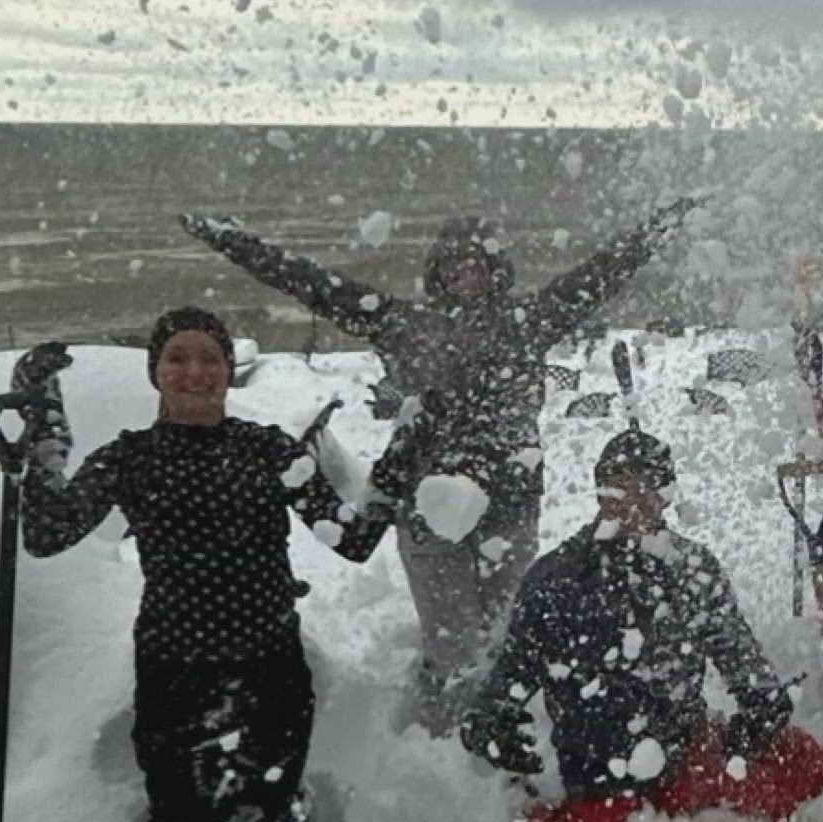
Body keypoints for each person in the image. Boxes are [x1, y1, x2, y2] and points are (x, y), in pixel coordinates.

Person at [10, 306, 438, 822]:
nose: (195, 371)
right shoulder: (131, 458)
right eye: (177, 356)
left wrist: (406, 452)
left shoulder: (268, 450)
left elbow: (348, 539)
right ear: (156, 371)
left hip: (272, 667)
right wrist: (40, 425)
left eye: (209, 357)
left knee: (277, 808)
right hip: (176, 674)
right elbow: (48, 530)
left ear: (229, 372)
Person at [181, 201, 696, 734]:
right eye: (454, 265)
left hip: (512, 515)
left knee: (501, 646)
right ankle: (441, 749)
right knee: (455, 653)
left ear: (497, 271)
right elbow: (313, 284)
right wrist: (235, 244)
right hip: (430, 523)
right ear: (438, 274)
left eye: (477, 263)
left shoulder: (529, 322)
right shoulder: (405, 325)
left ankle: (493, 745)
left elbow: (601, 273)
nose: (465, 274)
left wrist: (659, 227)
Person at [457, 428, 823, 822]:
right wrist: (490, 723)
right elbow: (507, 681)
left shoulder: (692, 569)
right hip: (603, 780)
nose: (634, 501)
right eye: (620, 485)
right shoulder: (556, 581)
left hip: (688, 756)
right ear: (600, 491)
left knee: (807, 767)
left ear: (667, 495)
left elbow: (742, 662)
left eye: (648, 487)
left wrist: (761, 707)